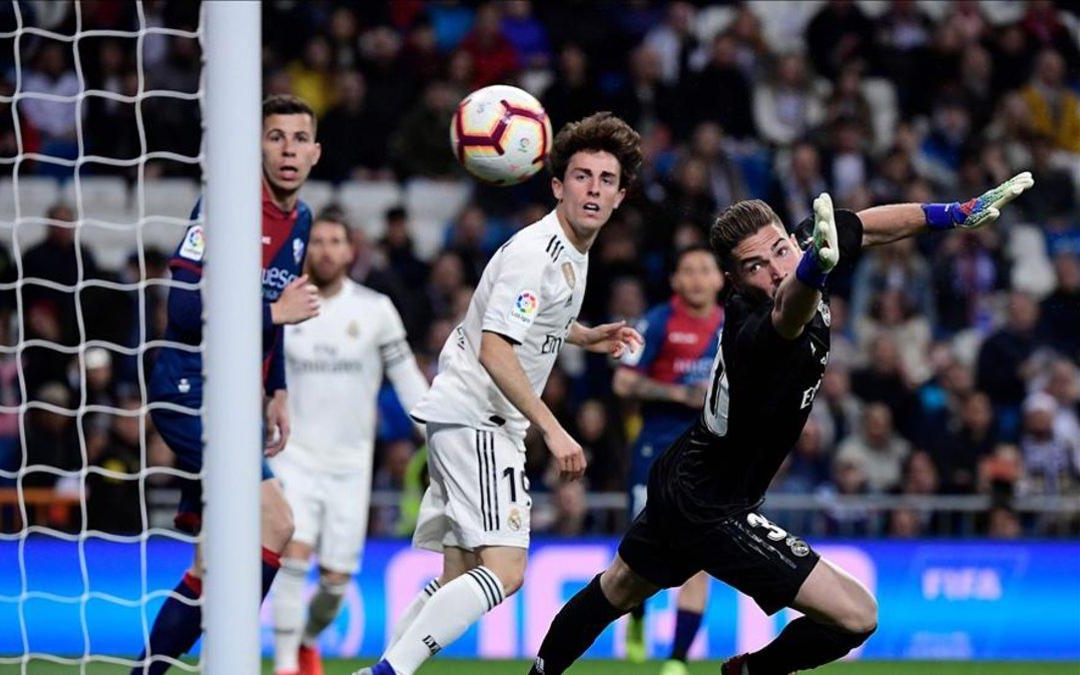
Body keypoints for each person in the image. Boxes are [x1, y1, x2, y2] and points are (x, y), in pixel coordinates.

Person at [529, 170, 1035, 675]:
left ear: (793, 239)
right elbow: (790, 312)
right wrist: (812, 269)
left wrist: (955, 214)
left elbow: (867, 225)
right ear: (735, 281)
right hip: (712, 506)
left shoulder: (809, 249)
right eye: (754, 266)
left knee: (616, 588)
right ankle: (748, 673)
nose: (773, 270)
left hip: (686, 471)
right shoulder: (754, 324)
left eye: (779, 252)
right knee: (857, 616)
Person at [353, 112, 645, 675]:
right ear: (558, 186)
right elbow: (496, 347)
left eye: (606, 180)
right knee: (507, 570)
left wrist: (584, 334)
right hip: (482, 419)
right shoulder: (538, 252)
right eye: (581, 176)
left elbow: (533, 318)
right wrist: (553, 428)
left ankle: (386, 669)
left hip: (464, 415)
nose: (593, 188)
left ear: (620, 196)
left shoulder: (571, 254)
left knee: (459, 576)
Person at [132, 94, 323, 674]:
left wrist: (279, 389)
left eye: (298, 139)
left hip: (236, 398)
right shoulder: (225, 206)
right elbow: (184, 312)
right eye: (275, 137)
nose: (287, 149)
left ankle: (149, 671)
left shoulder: (302, 219)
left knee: (210, 566)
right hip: (188, 386)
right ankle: (230, 654)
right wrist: (274, 317)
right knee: (278, 523)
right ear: (257, 146)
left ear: (315, 153)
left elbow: (276, 309)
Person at [268, 215, 429, 675]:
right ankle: (283, 667)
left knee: (335, 585)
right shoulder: (284, 307)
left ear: (349, 252)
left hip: (350, 466)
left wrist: (435, 434)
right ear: (306, 250)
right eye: (317, 241)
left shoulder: (375, 309)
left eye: (334, 241)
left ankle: (307, 640)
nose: (324, 250)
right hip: (292, 457)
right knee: (293, 558)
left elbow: (407, 379)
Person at [612, 245, 724, 673]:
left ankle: (676, 661)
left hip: (708, 457)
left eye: (705, 270)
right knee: (641, 556)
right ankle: (638, 613)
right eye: (687, 271)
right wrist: (677, 393)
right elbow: (623, 382)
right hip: (655, 452)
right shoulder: (657, 322)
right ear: (675, 281)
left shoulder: (732, 325)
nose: (696, 278)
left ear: (720, 279)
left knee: (699, 556)